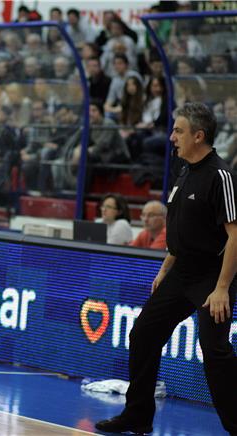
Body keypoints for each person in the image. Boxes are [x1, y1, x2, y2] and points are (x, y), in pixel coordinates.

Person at [96, 102, 237, 434]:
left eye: (179, 131)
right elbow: (179, 230)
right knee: (143, 334)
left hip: (211, 277)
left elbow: (235, 235)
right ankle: (137, 416)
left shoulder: (221, 175)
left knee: (215, 352)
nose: (172, 136)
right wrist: (164, 269)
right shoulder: (184, 171)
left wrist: (220, 288)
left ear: (199, 136)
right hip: (180, 272)